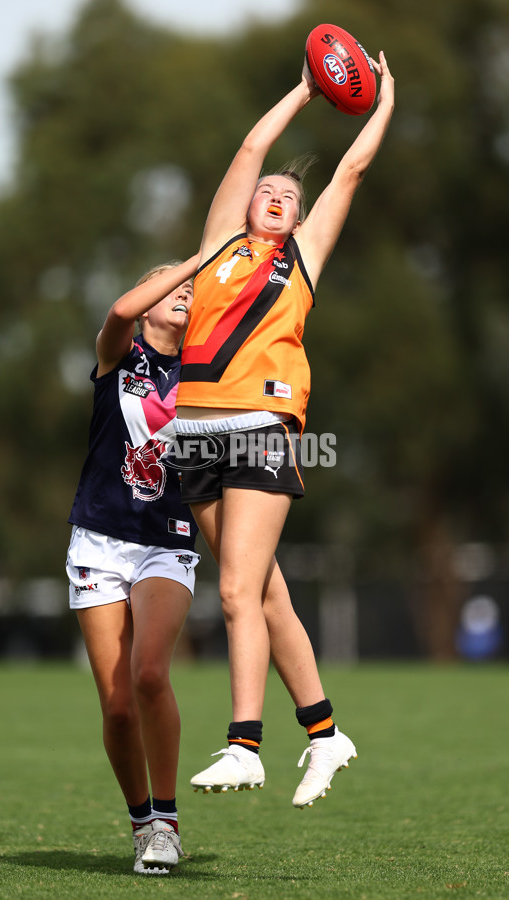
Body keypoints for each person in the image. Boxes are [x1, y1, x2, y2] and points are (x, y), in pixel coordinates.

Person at [174, 52, 394, 807]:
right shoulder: (217, 248)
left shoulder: (301, 257)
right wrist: (304, 91)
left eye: (286, 195)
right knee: (265, 594)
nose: (273, 193)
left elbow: (352, 173)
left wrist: (382, 100)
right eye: (265, 190)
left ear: (299, 218)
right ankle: (327, 735)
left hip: (261, 426)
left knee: (235, 590)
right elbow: (248, 151)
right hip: (192, 436)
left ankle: (245, 746)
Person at [66, 257, 201, 874]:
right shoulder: (118, 354)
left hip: (165, 539)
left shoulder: (203, 370)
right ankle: (142, 820)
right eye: (171, 284)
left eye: (191, 289)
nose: (184, 292)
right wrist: (207, 252)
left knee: (149, 673)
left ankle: (168, 824)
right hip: (97, 539)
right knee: (117, 706)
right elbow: (119, 311)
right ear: (149, 298)